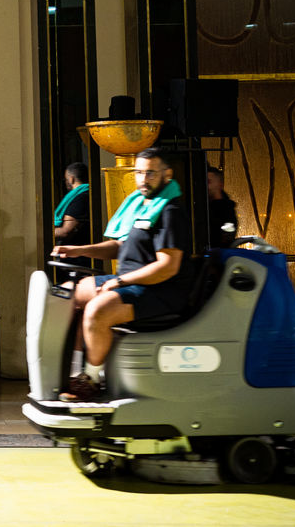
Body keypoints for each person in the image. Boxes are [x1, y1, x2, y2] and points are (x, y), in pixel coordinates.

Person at [50, 147, 190, 402]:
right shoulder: (140, 205)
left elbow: (167, 267)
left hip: (157, 289)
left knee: (97, 310)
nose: (143, 179)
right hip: (131, 282)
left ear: (167, 174)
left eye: (150, 173)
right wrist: (78, 250)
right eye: (139, 173)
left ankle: (92, 380)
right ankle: (73, 372)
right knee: (69, 295)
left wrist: (119, 281)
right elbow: (119, 247)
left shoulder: (169, 211)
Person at [53, 162, 91, 248]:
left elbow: (65, 231)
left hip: (75, 251)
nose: (66, 182)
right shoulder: (88, 194)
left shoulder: (80, 198)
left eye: (66, 179)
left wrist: (44, 233)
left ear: (71, 179)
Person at [206, 165, 238, 250]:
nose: (206, 186)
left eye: (209, 182)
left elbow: (225, 240)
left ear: (220, 184)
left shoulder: (227, 211)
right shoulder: (204, 207)